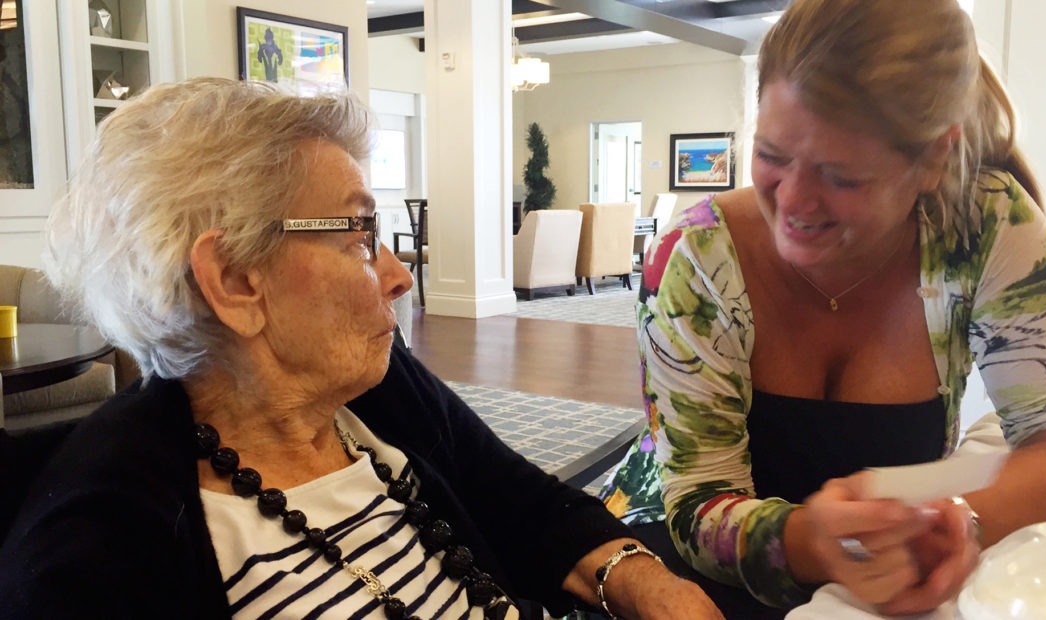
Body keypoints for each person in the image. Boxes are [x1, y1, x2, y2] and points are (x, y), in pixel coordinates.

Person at [0, 77, 723, 620]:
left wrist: (642, 579)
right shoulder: (99, 548)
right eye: (358, 236)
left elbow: (521, 501)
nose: (399, 276)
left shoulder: (376, 392)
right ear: (235, 280)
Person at [600, 0, 1046, 615]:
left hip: (874, 584)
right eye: (771, 154)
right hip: (680, 568)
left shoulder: (981, 225)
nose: (793, 203)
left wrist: (960, 524)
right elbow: (698, 510)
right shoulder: (697, 258)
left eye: (842, 176)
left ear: (934, 157)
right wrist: (820, 545)